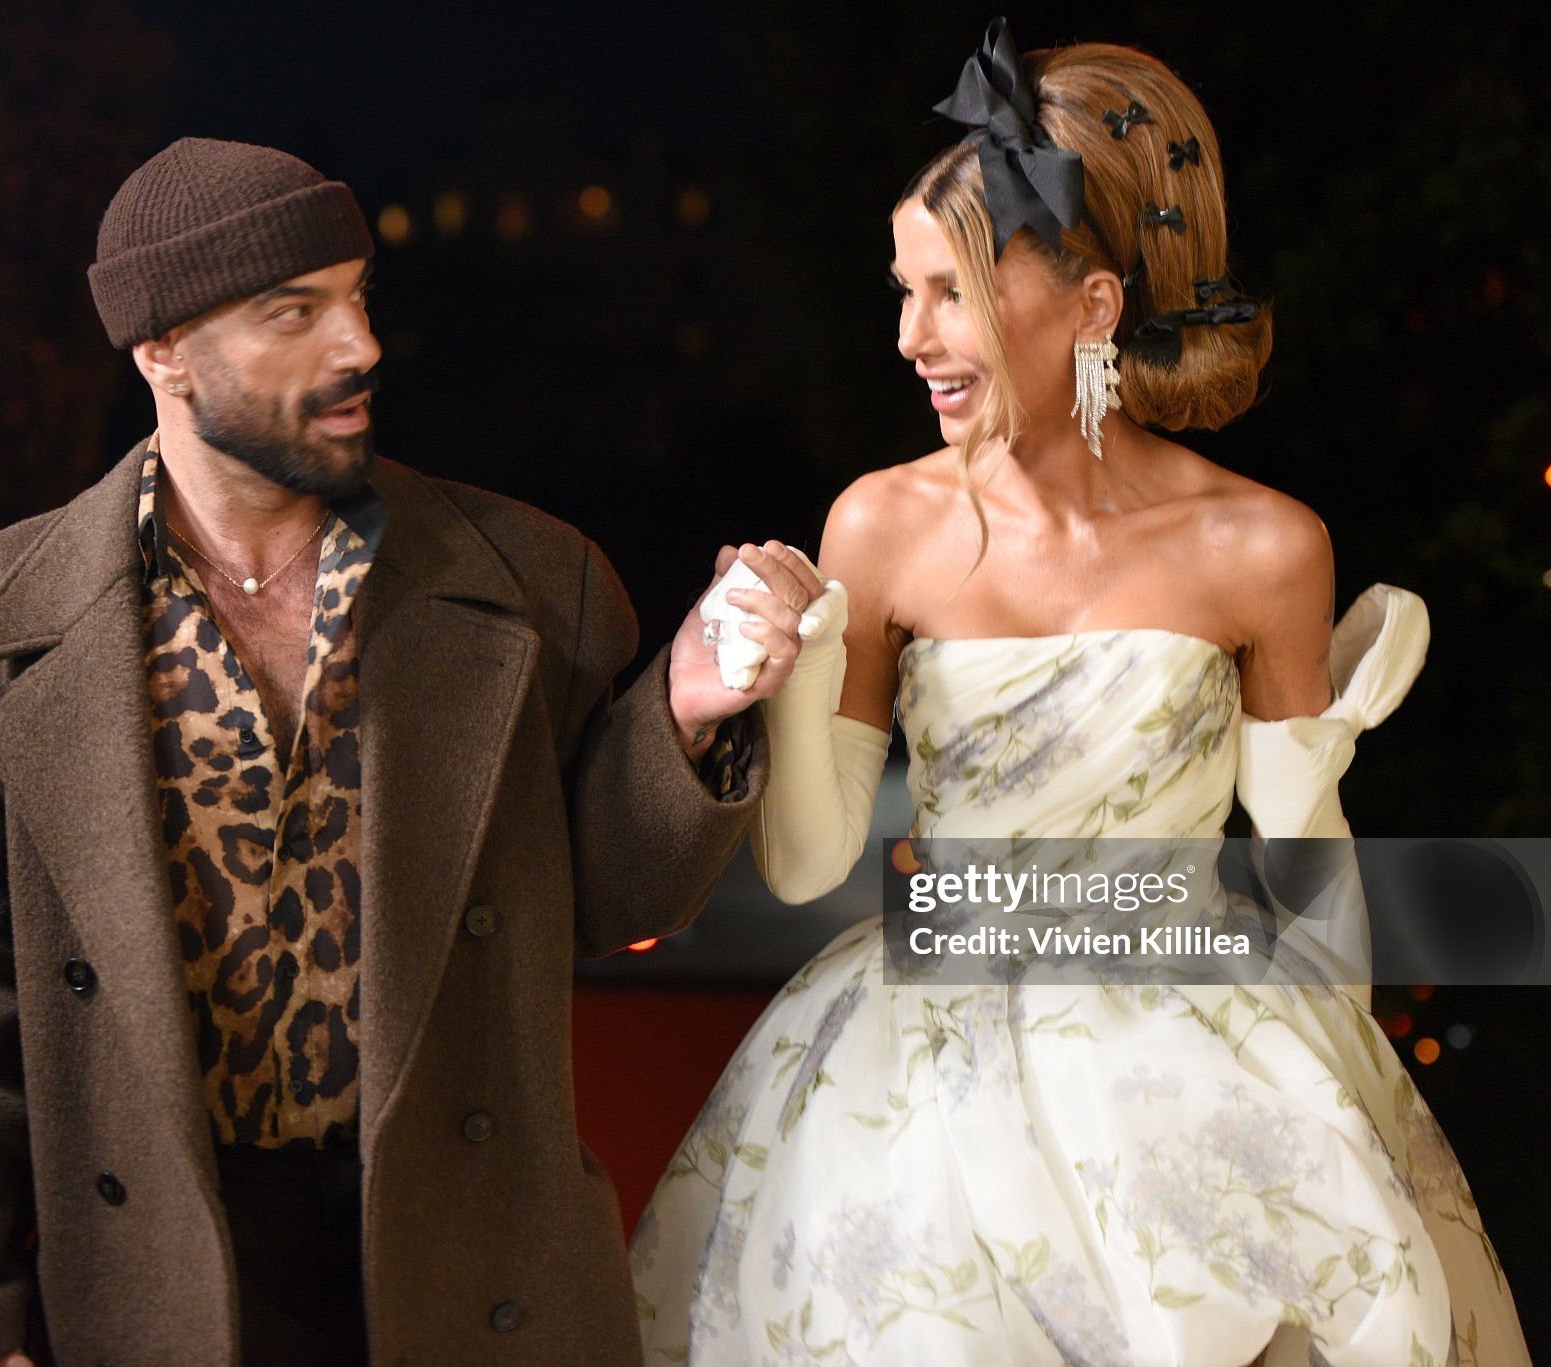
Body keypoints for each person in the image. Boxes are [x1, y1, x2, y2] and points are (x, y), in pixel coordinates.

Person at [631, 22, 1530, 1365]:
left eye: (950, 293)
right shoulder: (880, 525)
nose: (908, 337)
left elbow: (1305, 859)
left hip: (1192, 1036)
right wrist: (799, 660)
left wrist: (1333, 1087)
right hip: (918, 1071)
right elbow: (811, 862)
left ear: (1095, 306)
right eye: (901, 291)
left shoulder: (1262, 544)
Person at [0, 137, 819, 1366]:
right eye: (294, 313)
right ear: (162, 351)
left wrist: (684, 710)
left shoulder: (533, 581)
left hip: (463, 1255)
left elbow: (605, 899)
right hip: (154, 1273)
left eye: (358, 296)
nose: (358, 344)